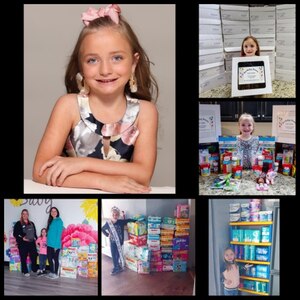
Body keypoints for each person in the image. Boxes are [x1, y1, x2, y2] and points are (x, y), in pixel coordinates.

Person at [32, 4, 158, 194]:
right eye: (92, 60)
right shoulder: (68, 106)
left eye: (116, 58)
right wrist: (102, 182)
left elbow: (143, 174)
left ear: (134, 63)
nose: (105, 70)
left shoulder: (146, 112)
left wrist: (81, 164)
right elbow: (40, 171)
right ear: (81, 66)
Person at [101, 206, 135, 275]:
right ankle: (116, 267)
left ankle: (118, 266)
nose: (114, 216)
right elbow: (102, 229)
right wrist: (107, 234)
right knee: (114, 255)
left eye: (116, 214)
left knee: (118, 254)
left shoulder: (120, 222)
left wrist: (136, 220)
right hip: (112, 242)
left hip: (120, 241)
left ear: (118, 215)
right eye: (113, 214)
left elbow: (128, 220)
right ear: (111, 215)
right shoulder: (108, 223)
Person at [13, 209, 38, 276]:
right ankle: (25, 271)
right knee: (23, 257)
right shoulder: (18, 223)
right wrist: (22, 238)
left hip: (31, 243)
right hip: (23, 243)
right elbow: (15, 233)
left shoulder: (32, 223)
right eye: (23, 214)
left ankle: (34, 269)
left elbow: (34, 233)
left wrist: (36, 239)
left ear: (28, 215)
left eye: (26, 213)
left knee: (34, 255)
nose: (25, 215)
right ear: (21, 215)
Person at [45, 207, 64, 279]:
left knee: (55, 259)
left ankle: (55, 273)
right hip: (49, 243)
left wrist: (56, 245)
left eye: (55, 211)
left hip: (56, 244)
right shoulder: (51, 220)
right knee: (49, 258)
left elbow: (59, 233)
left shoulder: (59, 221)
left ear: (57, 212)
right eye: (52, 211)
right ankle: (52, 272)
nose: (53, 212)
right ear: (50, 213)